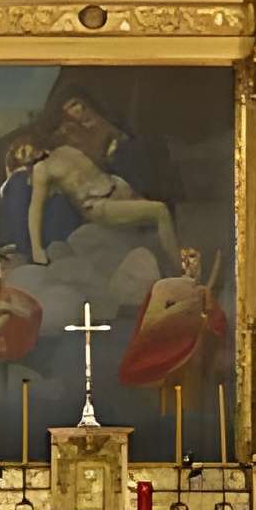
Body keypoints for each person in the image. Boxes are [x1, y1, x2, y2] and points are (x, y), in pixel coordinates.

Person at [28, 135, 182, 269]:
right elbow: (35, 210)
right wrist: (37, 250)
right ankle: (180, 271)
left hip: (116, 187)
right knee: (159, 211)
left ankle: (170, 267)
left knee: (152, 234)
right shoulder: (42, 169)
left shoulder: (66, 149)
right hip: (99, 205)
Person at [118, 247, 228, 389]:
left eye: (193, 257)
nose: (187, 263)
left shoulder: (203, 293)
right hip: (161, 353)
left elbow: (218, 325)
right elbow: (147, 324)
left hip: (193, 365)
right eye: (183, 258)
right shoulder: (162, 287)